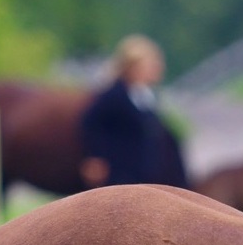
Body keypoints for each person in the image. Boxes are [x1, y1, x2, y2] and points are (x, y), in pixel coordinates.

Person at [79, 35, 189, 192]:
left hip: (143, 172)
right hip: (120, 172)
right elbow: (91, 121)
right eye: (149, 64)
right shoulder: (115, 94)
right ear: (132, 66)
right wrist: (96, 156)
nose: (157, 68)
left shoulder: (147, 95)